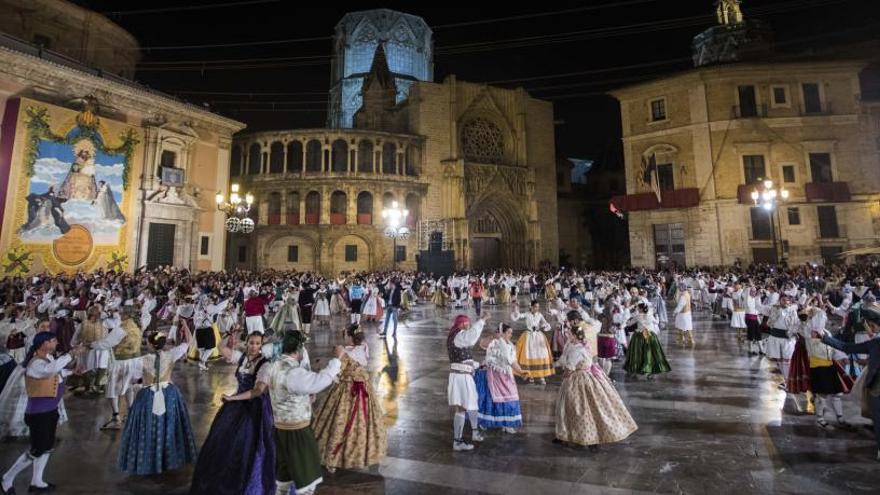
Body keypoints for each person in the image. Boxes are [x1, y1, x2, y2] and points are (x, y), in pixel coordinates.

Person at [251, 331, 343, 495]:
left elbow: (292, 389)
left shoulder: (272, 366)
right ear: (299, 350)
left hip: (279, 429)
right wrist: (336, 360)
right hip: (298, 432)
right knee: (307, 481)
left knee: (283, 479)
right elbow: (318, 382)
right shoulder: (293, 373)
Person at [190, 333, 275, 495]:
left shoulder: (265, 365)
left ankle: (248, 482)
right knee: (224, 441)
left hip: (253, 408)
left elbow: (257, 391)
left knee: (248, 443)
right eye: (251, 343)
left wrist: (232, 398)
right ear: (247, 343)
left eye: (257, 344)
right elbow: (221, 348)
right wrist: (230, 334)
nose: (254, 346)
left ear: (261, 345)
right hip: (236, 404)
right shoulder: (242, 358)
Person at [1, 333, 80, 494]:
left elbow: (55, 373)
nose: (57, 342)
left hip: (50, 410)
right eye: (53, 340)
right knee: (37, 449)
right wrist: (70, 355)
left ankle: (37, 481)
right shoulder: (35, 363)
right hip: (38, 414)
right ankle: (7, 478)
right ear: (43, 344)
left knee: (47, 447)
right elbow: (48, 371)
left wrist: (72, 372)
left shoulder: (48, 358)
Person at [554, 311, 638, 450]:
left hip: (579, 379)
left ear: (575, 336)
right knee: (569, 408)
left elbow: (570, 366)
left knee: (580, 409)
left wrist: (564, 374)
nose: (567, 335)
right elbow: (564, 358)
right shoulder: (573, 344)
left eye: (569, 334)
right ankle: (564, 434)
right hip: (579, 377)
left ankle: (589, 438)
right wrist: (554, 364)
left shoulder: (578, 349)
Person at [118, 329, 197, 475]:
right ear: (162, 344)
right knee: (169, 426)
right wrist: (185, 325)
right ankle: (168, 459)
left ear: (149, 344)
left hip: (147, 396)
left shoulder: (141, 360)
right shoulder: (172, 354)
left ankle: (148, 460)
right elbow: (190, 341)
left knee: (146, 426)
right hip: (170, 395)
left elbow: (135, 378)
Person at [311, 325, 387, 472]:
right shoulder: (364, 347)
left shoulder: (344, 352)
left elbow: (335, 373)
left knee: (340, 421)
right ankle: (366, 452)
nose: (343, 337)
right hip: (364, 389)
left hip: (347, 390)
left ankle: (332, 458)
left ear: (350, 337)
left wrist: (323, 367)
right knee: (365, 422)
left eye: (345, 335)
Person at [815, 303, 880, 461]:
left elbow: (846, 347)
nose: (869, 329)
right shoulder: (874, 343)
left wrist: (824, 338)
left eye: (870, 326)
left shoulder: (875, 343)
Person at [447, 314, 488, 451]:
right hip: (461, 377)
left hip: (461, 375)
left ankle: (471, 433)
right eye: (467, 323)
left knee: (467, 405)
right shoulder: (459, 335)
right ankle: (458, 441)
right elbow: (471, 337)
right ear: (462, 324)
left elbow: (464, 360)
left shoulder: (456, 336)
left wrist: (478, 365)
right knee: (465, 406)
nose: (469, 325)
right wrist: (482, 320)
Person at [474, 323, 523, 433]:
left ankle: (507, 423)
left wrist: (520, 371)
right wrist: (494, 337)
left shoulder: (510, 346)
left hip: (505, 375)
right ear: (502, 333)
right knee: (490, 398)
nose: (510, 335)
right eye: (509, 332)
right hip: (492, 375)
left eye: (511, 333)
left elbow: (513, 361)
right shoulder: (494, 343)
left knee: (510, 397)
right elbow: (482, 343)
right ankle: (484, 421)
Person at [511, 301, 554, 385]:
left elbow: (545, 323)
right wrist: (516, 309)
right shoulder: (527, 314)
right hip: (528, 336)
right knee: (530, 354)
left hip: (538, 336)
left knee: (540, 354)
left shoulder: (539, 315)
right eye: (535, 307)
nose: (536, 309)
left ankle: (541, 375)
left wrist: (543, 326)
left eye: (537, 307)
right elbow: (517, 316)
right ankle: (530, 375)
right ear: (531, 307)